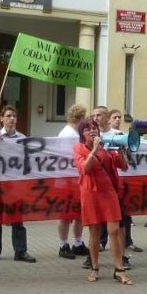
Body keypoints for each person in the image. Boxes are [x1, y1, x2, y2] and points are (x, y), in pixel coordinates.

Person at [73, 118, 132, 285]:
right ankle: (94, 267)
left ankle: (119, 269)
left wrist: (122, 150)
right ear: (82, 134)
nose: (92, 131)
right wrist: (93, 150)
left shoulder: (106, 147)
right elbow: (85, 168)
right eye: (87, 129)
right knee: (94, 233)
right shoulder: (79, 148)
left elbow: (124, 166)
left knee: (114, 230)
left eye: (94, 128)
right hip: (90, 194)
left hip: (108, 193)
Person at [0, 104, 36, 263]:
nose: (12, 119)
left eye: (14, 116)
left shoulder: (22, 138)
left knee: (17, 218)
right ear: (1, 119)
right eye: (8, 116)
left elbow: (26, 160)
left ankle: (20, 251)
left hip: (15, 184)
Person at [92, 105, 137, 267]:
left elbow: (126, 162)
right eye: (94, 115)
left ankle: (122, 257)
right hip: (97, 184)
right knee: (95, 224)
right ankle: (92, 257)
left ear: (106, 116)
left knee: (119, 223)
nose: (95, 118)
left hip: (116, 184)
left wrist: (121, 153)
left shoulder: (117, 135)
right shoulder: (91, 135)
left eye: (98, 115)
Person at [57, 104, 89, 259]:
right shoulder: (68, 134)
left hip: (76, 179)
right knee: (65, 215)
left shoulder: (74, 133)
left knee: (79, 213)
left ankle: (77, 242)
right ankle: (63, 245)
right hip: (66, 180)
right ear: (79, 118)